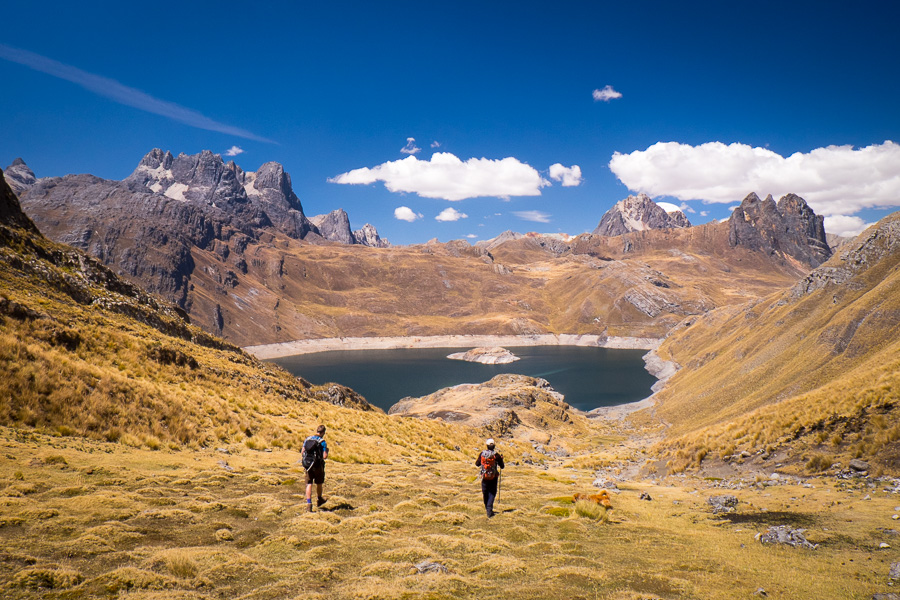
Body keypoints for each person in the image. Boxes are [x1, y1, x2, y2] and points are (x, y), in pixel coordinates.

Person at [475, 438, 505, 517]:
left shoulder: (482, 453)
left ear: (487, 446)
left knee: (485, 492)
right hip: (493, 477)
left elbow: (477, 464)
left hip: (484, 477)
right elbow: (502, 466)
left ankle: (487, 508)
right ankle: (489, 510)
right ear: (494, 446)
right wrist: (501, 460)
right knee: (492, 492)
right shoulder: (496, 455)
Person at [302, 425, 329, 512]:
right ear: (323, 432)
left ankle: (309, 504)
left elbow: (302, 451)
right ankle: (319, 499)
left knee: (309, 483)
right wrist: (326, 451)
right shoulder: (322, 442)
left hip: (308, 466)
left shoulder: (308, 439)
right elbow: (324, 456)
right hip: (318, 465)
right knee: (319, 483)